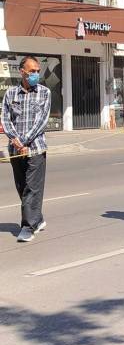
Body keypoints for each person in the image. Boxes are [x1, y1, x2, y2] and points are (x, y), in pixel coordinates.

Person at [1, 55, 51, 242]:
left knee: (32, 188)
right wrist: (15, 140)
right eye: (32, 71)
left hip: (35, 148)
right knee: (22, 188)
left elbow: (42, 121)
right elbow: (5, 119)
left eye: (38, 71)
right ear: (22, 71)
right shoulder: (11, 94)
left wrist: (24, 142)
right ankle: (37, 219)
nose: (36, 74)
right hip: (15, 150)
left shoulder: (44, 92)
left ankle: (28, 227)